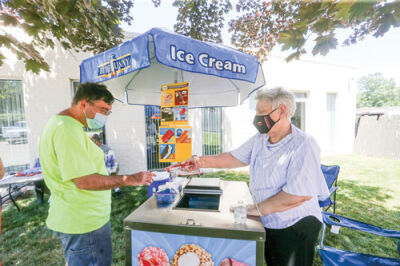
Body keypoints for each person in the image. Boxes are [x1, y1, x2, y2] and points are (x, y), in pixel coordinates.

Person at [185, 87, 329, 266]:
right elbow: (234, 157)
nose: (257, 118)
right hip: (269, 221)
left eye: (262, 112)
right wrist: (200, 162)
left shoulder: (303, 144)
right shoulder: (260, 139)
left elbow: (298, 195)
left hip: (295, 225)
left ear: (282, 111)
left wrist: (256, 209)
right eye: (256, 112)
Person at [39, 82, 154, 266]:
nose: (105, 115)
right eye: (102, 109)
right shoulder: (66, 130)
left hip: (83, 218)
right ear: (83, 104)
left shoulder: (65, 125)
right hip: (84, 222)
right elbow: (84, 181)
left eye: (108, 111)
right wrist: (131, 179)